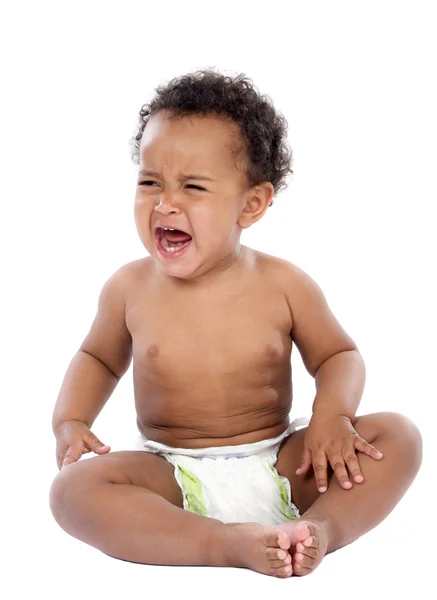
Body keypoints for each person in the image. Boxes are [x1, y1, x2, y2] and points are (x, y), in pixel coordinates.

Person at [49, 69, 422, 578]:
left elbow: (338, 355)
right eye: (149, 182)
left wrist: (332, 416)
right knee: (73, 492)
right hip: (170, 476)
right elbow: (96, 358)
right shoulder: (128, 289)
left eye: (193, 187)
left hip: (282, 463)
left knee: (398, 436)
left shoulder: (284, 284)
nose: (165, 203)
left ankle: (322, 530)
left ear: (252, 204)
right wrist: (70, 420)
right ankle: (221, 543)